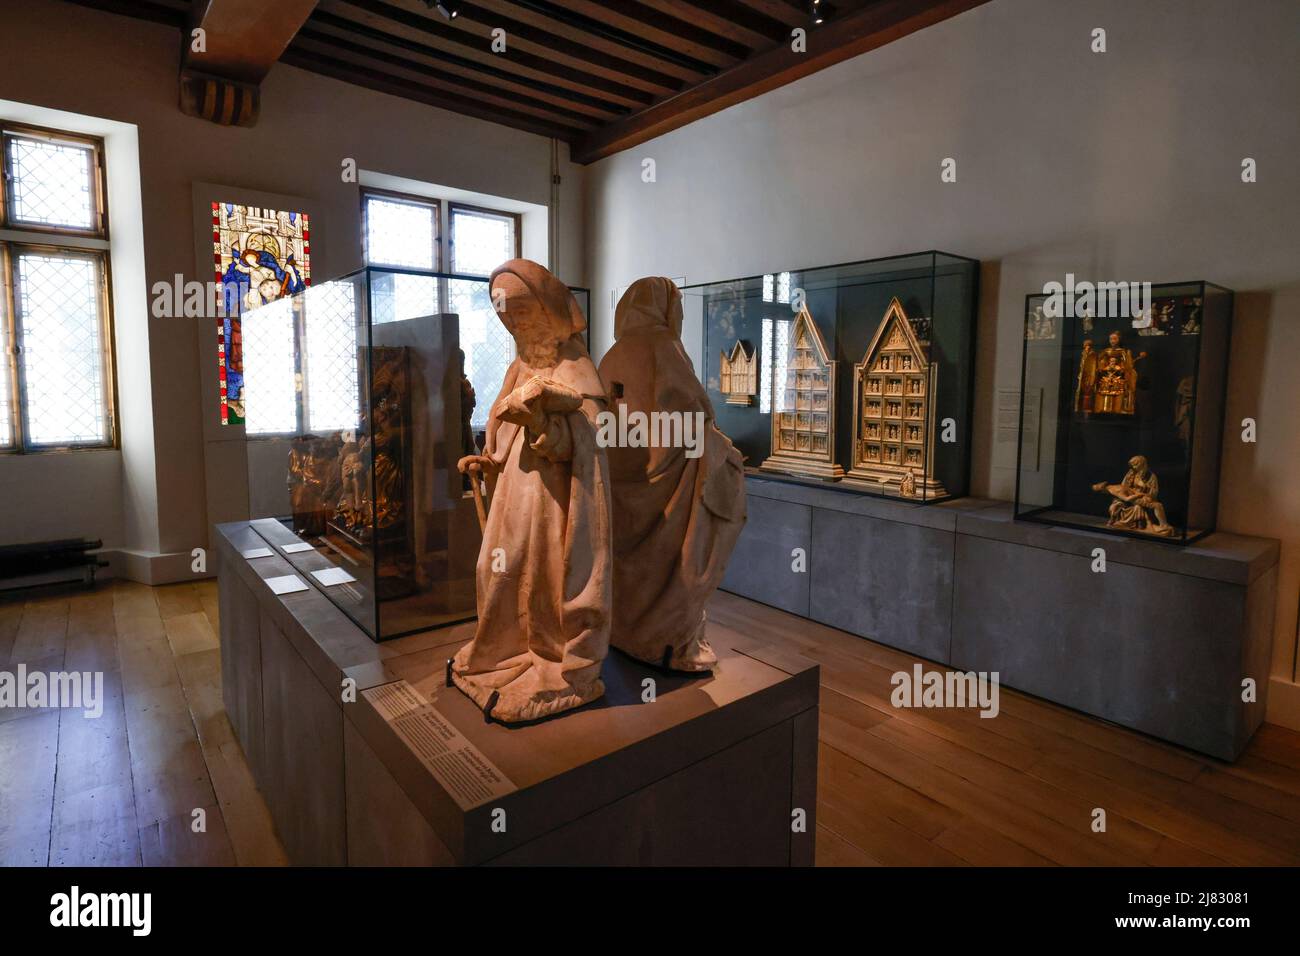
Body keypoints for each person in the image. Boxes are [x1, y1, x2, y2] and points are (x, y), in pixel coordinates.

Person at [450, 260, 612, 722]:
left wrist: (543, 424)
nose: (515, 325)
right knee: (496, 567)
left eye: (522, 313)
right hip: (514, 495)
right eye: (507, 316)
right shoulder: (522, 364)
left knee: (544, 576)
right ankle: (503, 649)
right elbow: (504, 424)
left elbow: (590, 440)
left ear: (547, 310)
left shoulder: (577, 368)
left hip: (557, 502)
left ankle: (554, 659)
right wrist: (491, 458)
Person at [597, 277, 746, 671]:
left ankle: (625, 630)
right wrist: (718, 446)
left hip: (621, 476)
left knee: (629, 561)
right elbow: (692, 415)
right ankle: (662, 639)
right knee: (671, 561)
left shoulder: (611, 356)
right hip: (669, 482)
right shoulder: (664, 347)